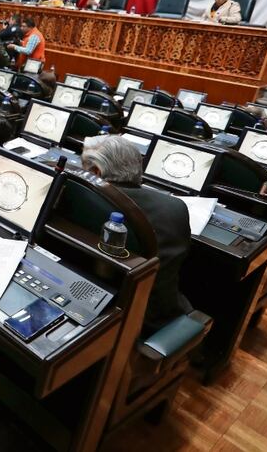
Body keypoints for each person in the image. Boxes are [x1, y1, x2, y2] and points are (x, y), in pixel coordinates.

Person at [81, 136, 192, 332]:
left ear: (96, 172)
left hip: (93, 303)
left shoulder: (82, 198)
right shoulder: (174, 207)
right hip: (149, 314)